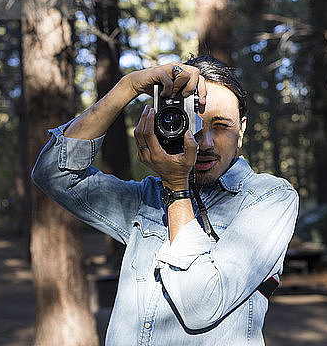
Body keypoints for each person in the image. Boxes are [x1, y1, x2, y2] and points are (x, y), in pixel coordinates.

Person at [31, 55, 299, 345]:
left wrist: (176, 188)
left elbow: (201, 305)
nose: (204, 142)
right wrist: (128, 86)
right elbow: (53, 172)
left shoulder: (269, 198)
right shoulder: (147, 198)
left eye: (221, 126)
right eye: (194, 121)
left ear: (242, 129)